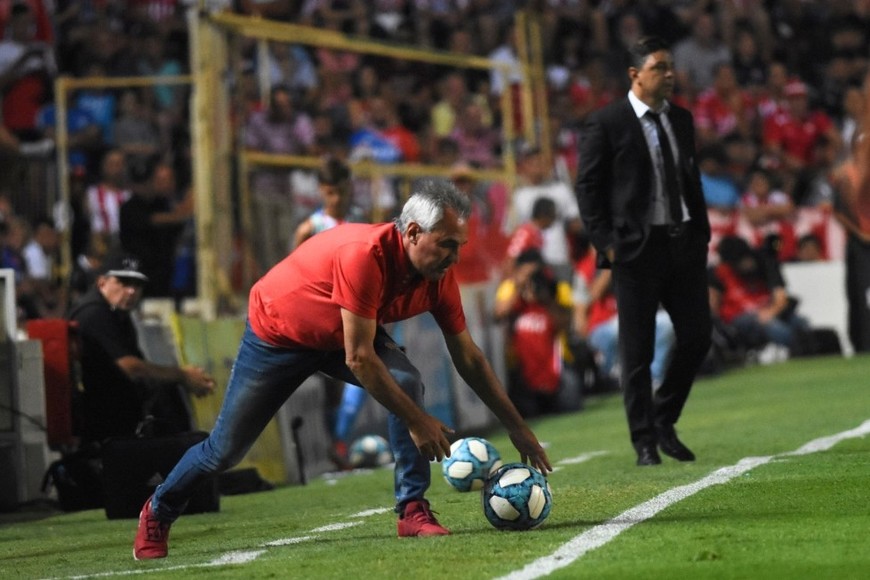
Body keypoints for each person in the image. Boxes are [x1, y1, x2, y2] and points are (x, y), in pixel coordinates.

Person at [133, 180, 551, 559]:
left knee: (406, 380)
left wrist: (517, 427)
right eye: (447, 245)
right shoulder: (364, 256)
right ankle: (159, 508)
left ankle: (412, 508)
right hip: (278, 335)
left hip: (343, 335)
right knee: (224, 452)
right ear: (412, 233)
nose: (454, 257)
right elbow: (360, 359)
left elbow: (469, 357)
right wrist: (418, 421)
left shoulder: (438, 277)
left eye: (459, 245)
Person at [575, 36, 712, 467]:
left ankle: (663, 418)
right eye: (659, 68)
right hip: (636, 250)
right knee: (638, 351)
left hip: (683, 243)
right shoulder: (607, 122)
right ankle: (644, 441)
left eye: (670, 67)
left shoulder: (681, 119)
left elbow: (689, 178)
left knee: (698, 336)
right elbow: (588, 187)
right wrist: (606, 244)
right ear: (635, 74)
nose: (670, 75)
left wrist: (700, 232)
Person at [67, 252, 215, 446]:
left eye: (137, 285)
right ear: (102, 282)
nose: (131, 291)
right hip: (101, 430)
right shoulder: (94, 313)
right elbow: (130, 367)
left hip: (117, 423)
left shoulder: (117, 313)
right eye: (123, 282)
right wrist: (182, 375)